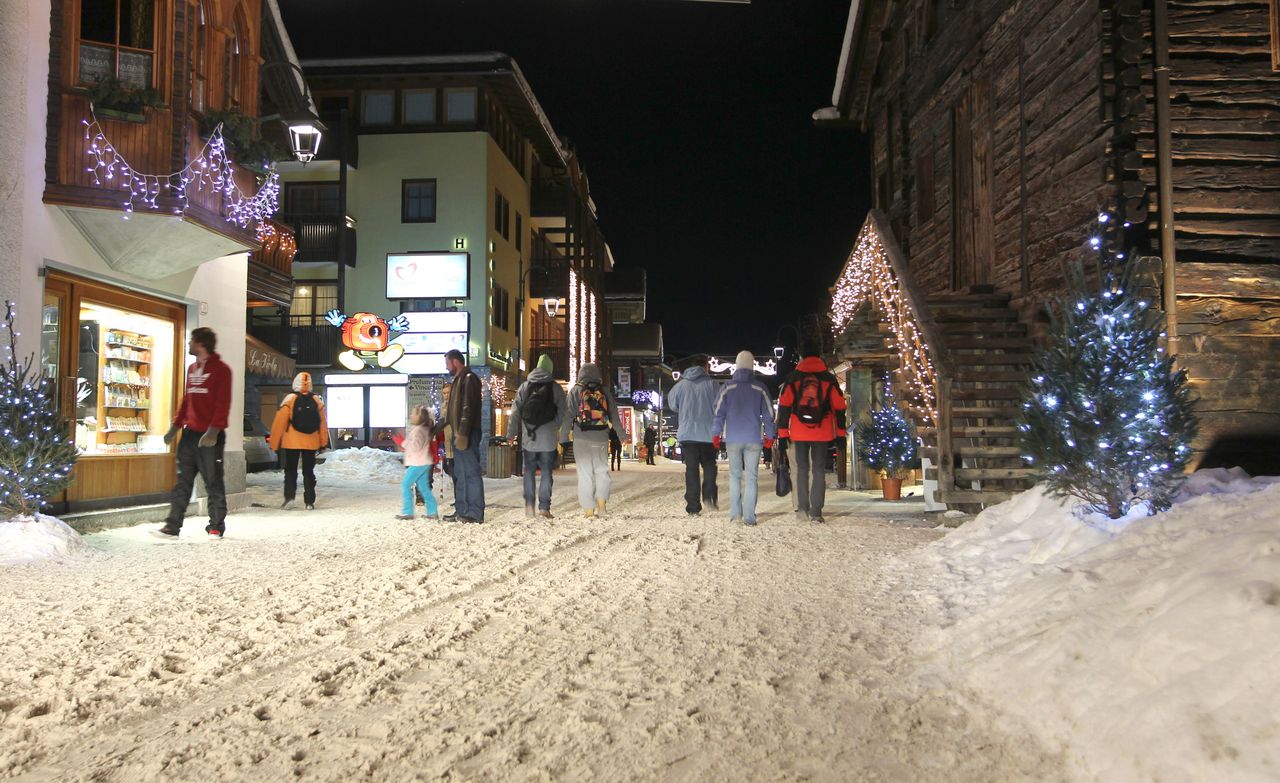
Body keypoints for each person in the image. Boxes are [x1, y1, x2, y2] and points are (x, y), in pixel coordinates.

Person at [157, 327, 231, 539]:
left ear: (201, 344)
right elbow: (187, 400)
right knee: (183, 481)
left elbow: (222, 403)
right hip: (190, 435)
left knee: (213, 480)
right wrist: (176, 426)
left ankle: (216, 525)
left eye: (191, 341)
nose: (189, 344)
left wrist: (213, 431)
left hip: (210, 436)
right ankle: (172, 525)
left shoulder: (221, 370)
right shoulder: (192, 369)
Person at [776, 342, 847, 524]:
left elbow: (784, 407)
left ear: (802, 358)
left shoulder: (793, 378)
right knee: (818, 471)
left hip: (798, 433)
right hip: (822, 433)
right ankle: (816, 512)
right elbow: (839, 407)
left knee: (801, 470)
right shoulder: (828, 379)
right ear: (819, 357)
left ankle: (802, 509)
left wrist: (783, 434)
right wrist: (840, 434)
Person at [711, 350, 777, 526]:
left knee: (734, 476)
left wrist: (716, 434)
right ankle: (749, 517)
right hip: (754, 438)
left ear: (737, 366)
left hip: (732, 438)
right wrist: (770, 436)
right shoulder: (760, 388)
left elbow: (718, 413)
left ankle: (735, 514)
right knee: (752, 477)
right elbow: (769, 414)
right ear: (752, 366)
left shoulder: (727, 387)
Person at [560, 362, 624, 517]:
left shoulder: (575, 391)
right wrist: (622, 435)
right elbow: (614, 416)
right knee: (602, 472)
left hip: (581, 438)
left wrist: (563, 438)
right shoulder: (605, 392)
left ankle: (589, 510)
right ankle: (602, 507)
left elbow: (568, 417)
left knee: (585, 474)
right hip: (601, 437)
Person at [510, 353, 567, 519]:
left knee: (528, 472)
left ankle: (529, 506)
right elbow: (563, 412)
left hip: (529, 438)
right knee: (546, 472)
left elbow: (515, 412)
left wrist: (511, 433)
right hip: (548, 440)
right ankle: (544, 508)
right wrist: (554, 427)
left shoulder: (524, 386)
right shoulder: (555, 388)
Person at [667, 355, 720, 515]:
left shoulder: (680, 385)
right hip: (708, 434)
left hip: (688, 434)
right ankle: (709, 497)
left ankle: (693, 507)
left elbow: (673, 405)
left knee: (691, 470)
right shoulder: (713, 385)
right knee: (710, 466)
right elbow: (721, 406)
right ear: (706, 367)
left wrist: (685, 408)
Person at [268, 371, 328, 510]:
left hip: (292, 442)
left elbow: (279, 422)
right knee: (308, 471)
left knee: (290, 470)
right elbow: (323, 424)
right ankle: (309, 502)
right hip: (311, 442)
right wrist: (323, 442)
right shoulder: (317, 400)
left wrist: (274, 442)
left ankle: (289, 498)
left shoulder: (289, 399)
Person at [442, 349, 485, 523]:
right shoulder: (459, 380)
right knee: (460, 473)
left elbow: (468, 407)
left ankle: (474, 512)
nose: (447, 368)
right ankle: (462, 510)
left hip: (466, 432)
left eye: (447, 364)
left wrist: (463, 433)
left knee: (471, 473)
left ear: (455, 362)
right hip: (460, 432)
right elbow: (452, 412)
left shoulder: (468, 379)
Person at [396, 405, 441, 520]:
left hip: (418, 463)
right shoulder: (424, 429)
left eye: (413, 413)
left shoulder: (418, 430)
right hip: (424, 462)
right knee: (424, 488)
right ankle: (432, 512)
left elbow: (415, 446)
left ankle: (407, 512)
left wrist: (402, 443)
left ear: (420, 416)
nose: (411, 415)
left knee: (406, 484)